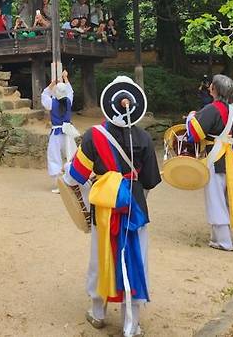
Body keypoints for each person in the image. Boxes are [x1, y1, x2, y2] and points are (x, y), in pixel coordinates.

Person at [62, 76, 161, 336]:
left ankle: (98, 313)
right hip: (136, 208)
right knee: (136, 258)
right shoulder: (145, 138)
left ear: (110, 104)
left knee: (101, 257)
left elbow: (73, 177)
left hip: (104, 209)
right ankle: (132, 323)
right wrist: (134, 197)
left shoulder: (94, 136)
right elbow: (150, 181)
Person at [186, 74, 233, 252]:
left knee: (216, 198)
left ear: (214, 90)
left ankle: (222, 240)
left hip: (215, 158)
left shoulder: (211, 109)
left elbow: (194, 135)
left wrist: (190, 118)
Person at [41, 70, 76, 192]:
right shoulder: (69, 102)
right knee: (71, 156)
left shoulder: (51, 103)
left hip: (56, 134)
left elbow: (44, 95)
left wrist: (52, 84)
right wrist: (65, 78)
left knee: (54, 157)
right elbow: (70, 91)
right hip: (67, 133)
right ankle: (73, 182)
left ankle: (59, 185)